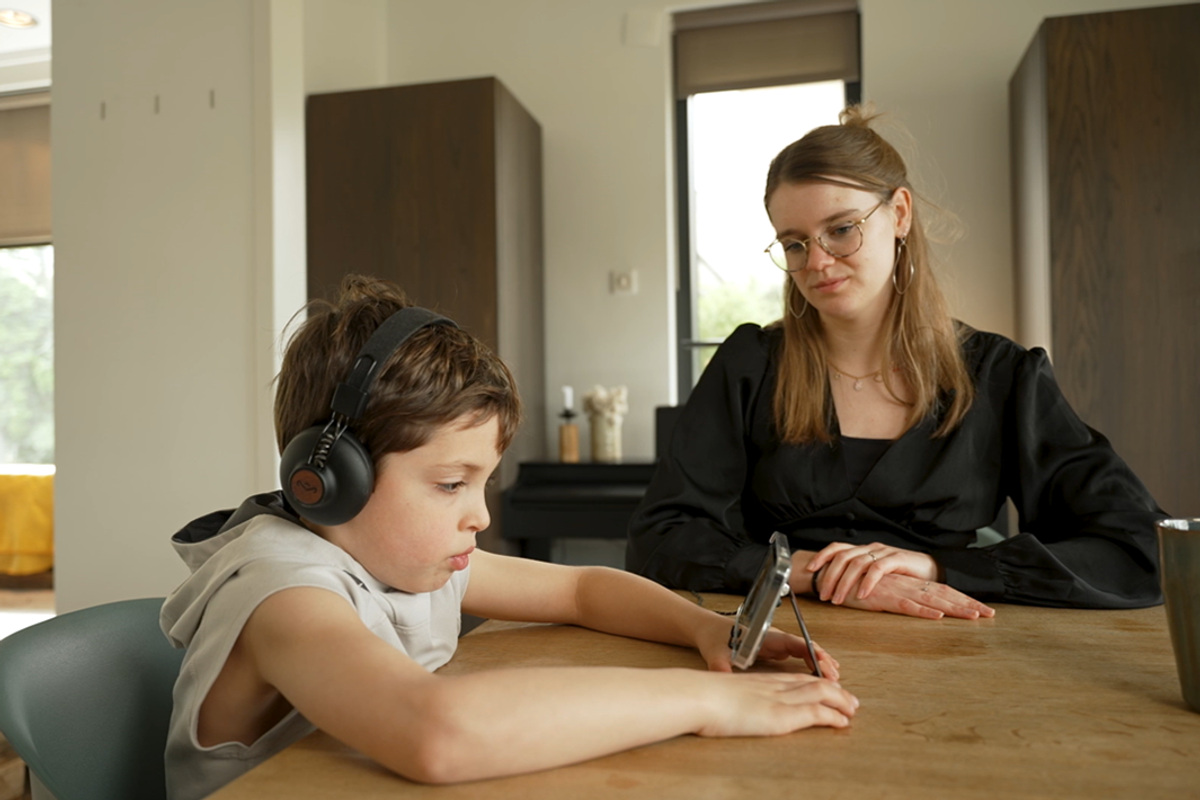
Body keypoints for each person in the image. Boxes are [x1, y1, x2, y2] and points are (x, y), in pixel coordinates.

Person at [159, 275, 855, 800]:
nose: (481, 517)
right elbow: (437, 731)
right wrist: (708, 702)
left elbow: (583, 589)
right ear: (330, 478)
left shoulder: (401, 557)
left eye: (482, 483)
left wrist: (704, 631)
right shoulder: (282, 593)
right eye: (449, 484)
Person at [627, 106, 1165, 619]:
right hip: (784, 649)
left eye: (841, 229)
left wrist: (938, 568)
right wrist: (811, 571)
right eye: (794, 243)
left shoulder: (1001, 375)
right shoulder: (749, 365)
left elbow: (1142, 546)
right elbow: (660, 540)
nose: (816, 262)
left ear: (900, 214)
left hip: (953, 658)